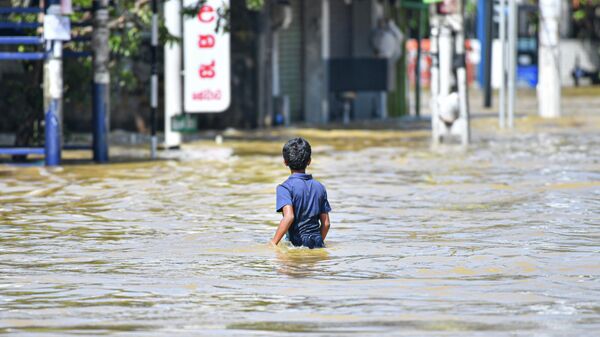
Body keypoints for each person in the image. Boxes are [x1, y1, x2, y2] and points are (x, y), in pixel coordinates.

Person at [270, 137, 331, 249]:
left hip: (296, 244)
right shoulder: (320, 187)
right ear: (309, 161)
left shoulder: (285, 188)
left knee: (291, 266)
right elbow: (326, 223)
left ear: (285, 162)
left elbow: (289, 217)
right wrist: (318, 244)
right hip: (317, 243)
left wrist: (273, 243)